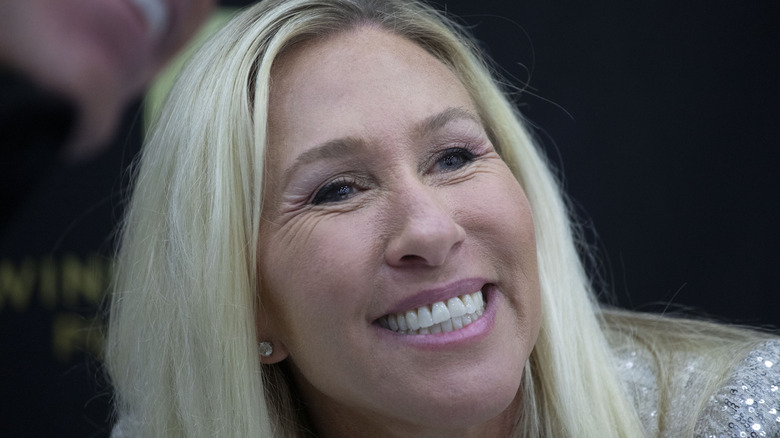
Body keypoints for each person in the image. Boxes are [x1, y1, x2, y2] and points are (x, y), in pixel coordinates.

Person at [104, 1, 780, 437]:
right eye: (338, 190)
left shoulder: (744, 414)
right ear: (244, 298)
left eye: (454, 156)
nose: (429, 230)